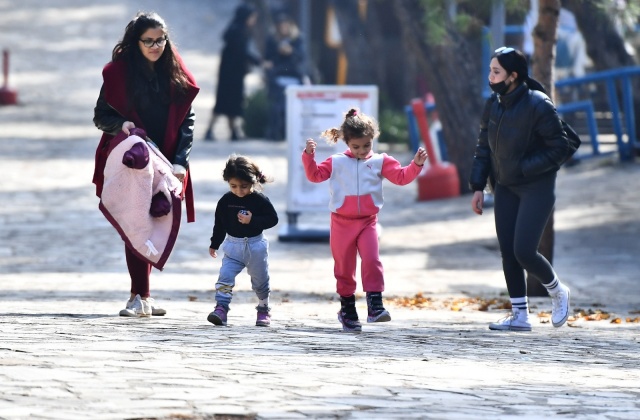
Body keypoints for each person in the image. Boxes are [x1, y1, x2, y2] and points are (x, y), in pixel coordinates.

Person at [93, 12, 199, 317]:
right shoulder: (118, 74)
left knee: (155, 219)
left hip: (167, 158)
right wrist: (122, 124)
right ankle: (138, 295)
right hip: (133, 158)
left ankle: (144, 296)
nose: (155, 46)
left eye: (160, 40)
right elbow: (101, 115)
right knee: (136, 220)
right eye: (148, 41)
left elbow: (187, 120)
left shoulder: (174, 69)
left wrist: (180, 162)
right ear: (136, 42)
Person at [469, 46, 573, 332]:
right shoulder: (494, 103)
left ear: (513, 76)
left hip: (536, 187)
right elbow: (483, 147)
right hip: (504, 186)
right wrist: (478, 186)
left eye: (496, 71)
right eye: (490, 70)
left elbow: (560, 147)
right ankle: (520, 315)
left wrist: (524, 168)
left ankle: (557, 291)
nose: (490, 77)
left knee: (524, 251)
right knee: (508, 252)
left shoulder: (539, 104)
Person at [302, 109, 428, 332]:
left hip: (368, 221)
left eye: (366, 145)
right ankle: (348, 309)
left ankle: (375, 305)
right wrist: (309, 157)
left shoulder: (381, 161)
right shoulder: (337, 161)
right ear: (347, 142)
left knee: (372, 259)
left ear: (373, 140)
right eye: (356, 146)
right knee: (344, 267)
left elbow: (401, 177)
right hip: (341, 222)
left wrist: (415, 165)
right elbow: (315, 176)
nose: (362, 151)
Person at [207, 155, 279, 327]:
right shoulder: (225, 201)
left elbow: (273, 219)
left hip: (256, 247)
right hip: (233, 247)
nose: (239, 191)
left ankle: (263, 309)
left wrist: (252, 220)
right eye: (234, 186)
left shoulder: (259, 200)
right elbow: (219, 224)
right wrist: (214, 243)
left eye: (244, 186)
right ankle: (221, 308)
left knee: (260, 280)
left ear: (253, 182)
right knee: (225, 277)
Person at [203, 4, 261, 142]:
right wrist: (257, 61)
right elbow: (242, 52)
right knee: (225, 102)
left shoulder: (237, 29)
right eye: (252, 17)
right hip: (231, 74)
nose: (254, 20)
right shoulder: (238, 31)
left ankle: (233, 131)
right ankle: (212, 130)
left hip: (232, 73)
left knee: (231, 102)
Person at [264, 12, 306, 141]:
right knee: (278, 107)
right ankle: (276, 133)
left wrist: (291, 52)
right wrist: (278, 54)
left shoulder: (297, 40)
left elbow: (301, 58)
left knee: (293, 108)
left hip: (294, 77)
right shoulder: (272, 40)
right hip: (278, 77)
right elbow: (268, 59)